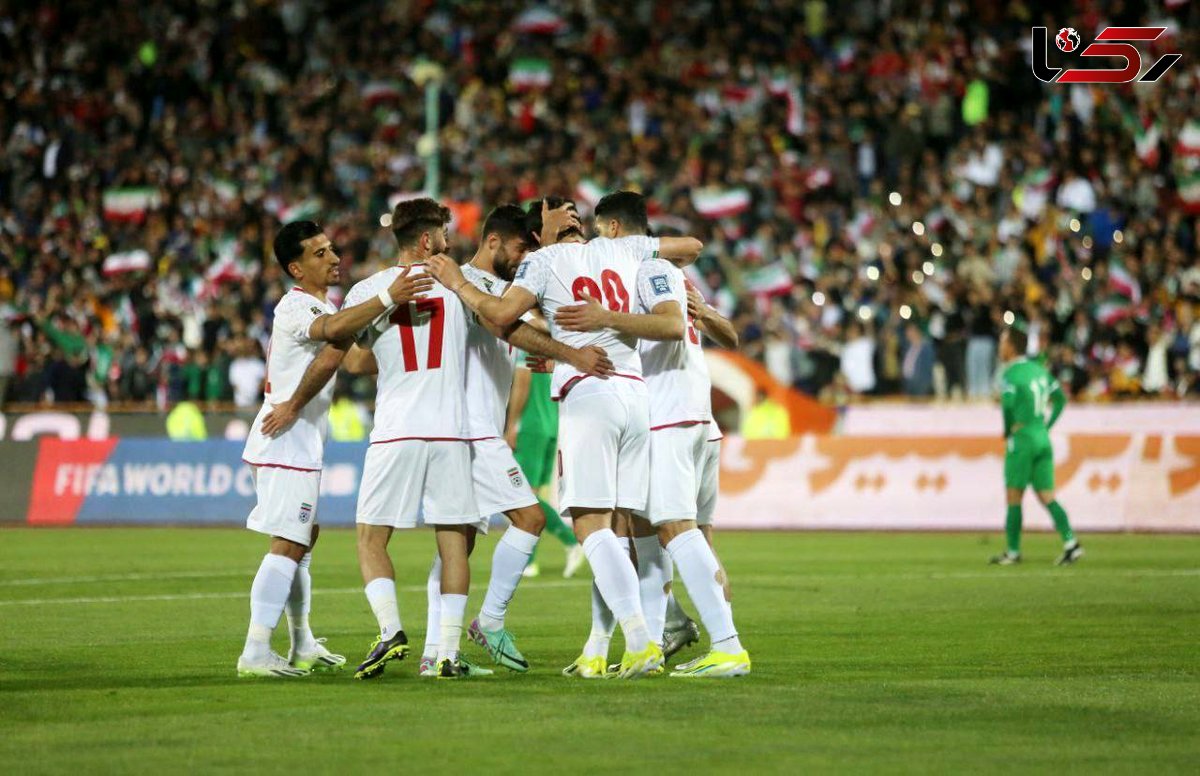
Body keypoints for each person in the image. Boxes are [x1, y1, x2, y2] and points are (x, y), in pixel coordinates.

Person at [426, 194, 703, 678]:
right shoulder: (624, 249)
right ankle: (604, 645)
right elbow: (689, 246)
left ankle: (641, 640)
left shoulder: (543, 261)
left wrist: (457, 283)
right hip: (635, 395)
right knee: (617, 529)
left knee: (590, 527)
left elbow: (498, 315)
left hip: (590, 396)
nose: (567, 213)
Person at [551, 191, 750, 679]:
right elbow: (715, 327)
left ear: (614, 230)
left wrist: (604, 319)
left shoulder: (645, 271)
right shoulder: (666, 273)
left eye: (598, 230)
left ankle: (728, 645)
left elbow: (671, 325)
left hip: (666, 416)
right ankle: (651, 646)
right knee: (652, 535)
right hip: (692, 418)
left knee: (667, 530)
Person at [235, 219, 432, 678]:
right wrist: (386, 298)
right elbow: (334, 330)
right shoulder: (296, 307)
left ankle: (302, 643)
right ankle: (255, 649)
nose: (333, 257)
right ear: (296, 268)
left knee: (303, 541)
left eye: (331, 249)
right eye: (319, 253)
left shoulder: (319, 307)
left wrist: (398, 337)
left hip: (297, 441)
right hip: (286, 440)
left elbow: (353, 358)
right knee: (287, 543)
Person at [989, 326, 1083, 567]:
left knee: (1013, 496)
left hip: (1022, 441)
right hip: (1042, 438)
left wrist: (1008, 430)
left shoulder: (1010, 374)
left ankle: (1012, 552)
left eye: (1002, 342)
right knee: (1047, 495)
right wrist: (1046, 425)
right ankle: (1071, 543)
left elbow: (1007, 405)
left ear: (1011, 347)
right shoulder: (1038, 370)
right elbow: (1061, 399)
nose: (1000, 347)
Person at [503, 356, 586, 580]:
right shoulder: (550, 345)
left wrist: (511, 425)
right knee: (533, 497)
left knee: (521, 497)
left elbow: (522, 382)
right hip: (551, 423)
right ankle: (529, 562)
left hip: (530, 426)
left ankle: (570, 541)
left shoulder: (525, 345)